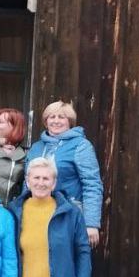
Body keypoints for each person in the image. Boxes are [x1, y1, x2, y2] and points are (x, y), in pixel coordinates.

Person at [27, 100, 103, 248]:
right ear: (46, 121)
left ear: (70, 122)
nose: (56, 121)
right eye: (52, 117)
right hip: (36, 213)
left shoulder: (81, 145)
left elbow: (92, 184)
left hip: (68, 215)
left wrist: (91, 223)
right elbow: (27, 182)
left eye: (61, 117)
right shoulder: (36, 147)